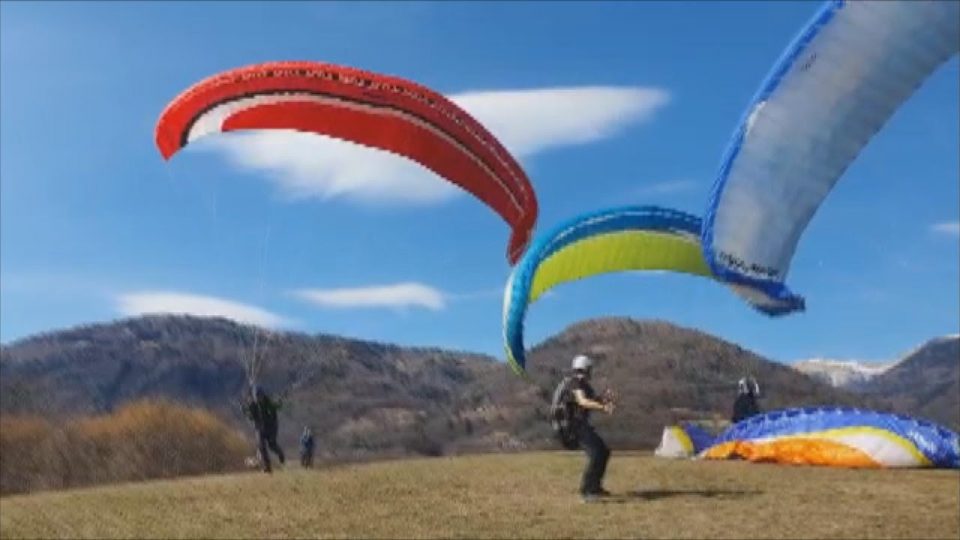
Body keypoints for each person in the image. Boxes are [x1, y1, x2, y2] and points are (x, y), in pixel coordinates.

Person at [569, 354, 615, 503]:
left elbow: (591, 400)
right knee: (596, 453)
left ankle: (595, 487)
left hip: (581, 425)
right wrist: (602, 406)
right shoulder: (576, 383)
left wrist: (604, 398)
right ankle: (587, 491)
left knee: (604, 452)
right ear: (586, 368)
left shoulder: (584, 384)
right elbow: (582, 401)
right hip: (575, 427)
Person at [242, 385, 285, 473]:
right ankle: (267, 467)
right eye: (257, 396)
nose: (259, 398)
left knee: (272, 445)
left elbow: (278, 406)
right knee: (261, 447)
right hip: (260, 429)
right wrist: (245, 411)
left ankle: (280, 454)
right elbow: (251, 416)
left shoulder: (269, 402)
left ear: (263, 395)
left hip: (271, 428)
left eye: (260, 396)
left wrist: (280, 401)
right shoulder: (252, 405)